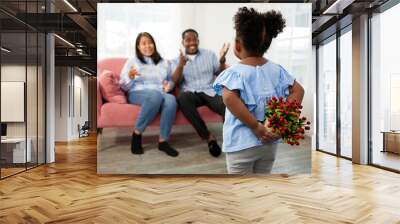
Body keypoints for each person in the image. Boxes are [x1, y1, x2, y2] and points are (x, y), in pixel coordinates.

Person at [213, 7, 305, 174]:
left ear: (238, 45)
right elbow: (298, 91)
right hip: (269, 144)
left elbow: (229, 98)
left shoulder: (234, 72)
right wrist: (280, 121)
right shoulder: (277, 70)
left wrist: (255, 126)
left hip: (240, 145)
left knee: (240, 186)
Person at [172, 28, 230, 157]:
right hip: (190, 92)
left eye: (195, 39)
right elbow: (175, 82)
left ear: (198, 41)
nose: (192, 42)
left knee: (227, 104)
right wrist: (181, 65)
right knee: (182, 98)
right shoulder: (177, 60)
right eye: (188, 40)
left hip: (210, 89)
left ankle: (230, 137)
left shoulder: (210, 55)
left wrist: (221, 61)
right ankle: (209, 137)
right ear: (183, 42)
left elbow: (220, 74)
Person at [119, 32, 178, 157]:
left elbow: (170, 80)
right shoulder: (132, 61)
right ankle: (137, 134)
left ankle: (163, 142)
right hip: (137, 92)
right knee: (155, 95)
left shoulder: (163, 62)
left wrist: (169, 86)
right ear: (138, 47)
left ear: (154, 44)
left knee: (171, 99)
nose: (148, 46)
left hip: (159, 92)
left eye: (150, 42)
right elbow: (123, 85)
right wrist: (130, 76)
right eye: (144, 43)